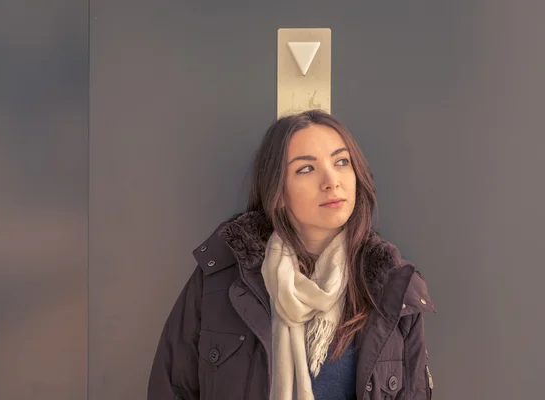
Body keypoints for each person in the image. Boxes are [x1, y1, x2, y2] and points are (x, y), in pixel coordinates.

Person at [147, 110, 436, 400]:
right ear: (279, 192)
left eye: (341, 162)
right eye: (306, 169)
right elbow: (170, 388)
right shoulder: (220, 281)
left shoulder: (393, 290)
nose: (331, 181)